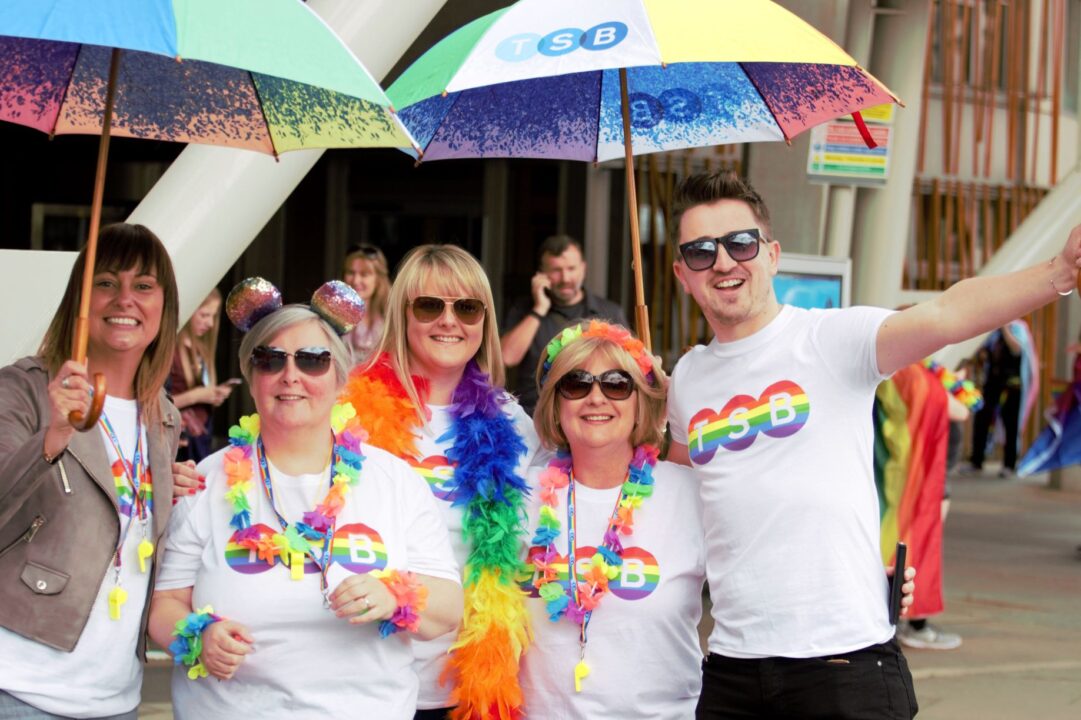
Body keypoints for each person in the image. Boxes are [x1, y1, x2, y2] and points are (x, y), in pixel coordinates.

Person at [664, 170, 1081, 719]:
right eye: (700, 251)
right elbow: (675, 498)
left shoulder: (833, 339)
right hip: (732, 669)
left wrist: (1061, 270)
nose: (722, 261)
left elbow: (947, 315)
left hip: (845, 664)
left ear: (771, 254)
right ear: (681, 273)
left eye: (739, 243)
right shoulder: (687, 380)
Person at [148, 279, 463, 719]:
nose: (290, 375)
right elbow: (165, 605)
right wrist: (196, 638)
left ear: (340, 380)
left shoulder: (394, 480)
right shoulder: (206, 480)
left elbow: (448, 608)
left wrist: (393, 597)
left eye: (313, 360)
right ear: (252, 379)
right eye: (270, 360)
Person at [0, 222, 200, 718]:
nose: (125, 298)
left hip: (115, 695)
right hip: (18, 684)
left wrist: (171, 497)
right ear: (80, 300)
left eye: (144, 286)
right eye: (106, 282)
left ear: (164, 307)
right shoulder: (24, 389)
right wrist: (54, 436)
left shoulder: (164, 416)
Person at [341, 244, 542, 720]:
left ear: (484, 321)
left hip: (464, 687)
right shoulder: (347, 413)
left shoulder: (516, 425)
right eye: (430, 305)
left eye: (467, 308)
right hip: (360, 677)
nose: (449, 321)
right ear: (402, 313)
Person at [518, 320, 704, 718]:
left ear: (641, 402)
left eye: (617, 383)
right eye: (577, 383)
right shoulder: (517, 496)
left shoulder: (691, 495)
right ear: (556, 402)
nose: (596, 398)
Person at [501, 235, 628, 414]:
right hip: (534, 417)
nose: (565, 277)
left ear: (583, 268)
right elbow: (507, 357)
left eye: (571, 268)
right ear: (541, 274)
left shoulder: (610, 312)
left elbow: (627, 371)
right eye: (556, 270)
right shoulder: (523, 309)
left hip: (589, 415)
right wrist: (538, 309)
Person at [170, 288, 235, 463]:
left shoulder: (200, 349)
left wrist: (212, 394)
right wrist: (198, 395)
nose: (210, 324)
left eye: (213, 317)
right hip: (179, 442)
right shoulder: (170, 351)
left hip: (201, 438)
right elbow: (156, 404)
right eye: (205, 315)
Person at [967, 321, 1038, 477]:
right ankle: (976, 461)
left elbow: (1017, 349)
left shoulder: (1019, 328)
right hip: (992, 382)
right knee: (982, 419)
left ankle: (1009, 464)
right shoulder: (992, 330)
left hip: (1012, 385)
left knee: (1011, 425)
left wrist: (1005, 327)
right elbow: (983, 352)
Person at [343, 243, 391, 365]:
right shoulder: (332, 314)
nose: (356, 280)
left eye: (364, 274)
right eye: (351, 272)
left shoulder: (391, 317)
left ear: (378, 279)